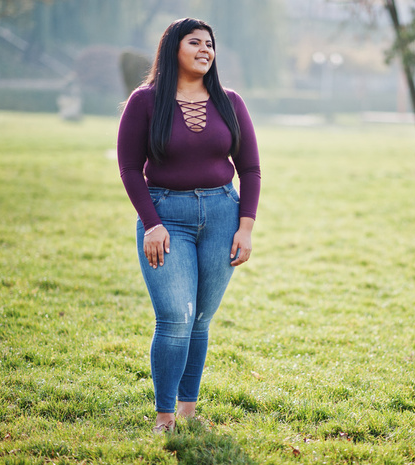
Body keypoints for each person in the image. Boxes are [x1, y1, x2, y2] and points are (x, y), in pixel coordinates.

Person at [117, 18, 261, 434]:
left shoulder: (230, 101)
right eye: (194, 42)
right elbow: (129, 169)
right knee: (174, 318)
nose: (205, 49)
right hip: (165, 218)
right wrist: (152, 224)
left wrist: (245, 227)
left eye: (210, 44)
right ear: (172, 50)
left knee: (199, 318)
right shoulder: (144, 101)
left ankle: (188, 411)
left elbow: (249, 169)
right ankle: (164, 418)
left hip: (222, 215)